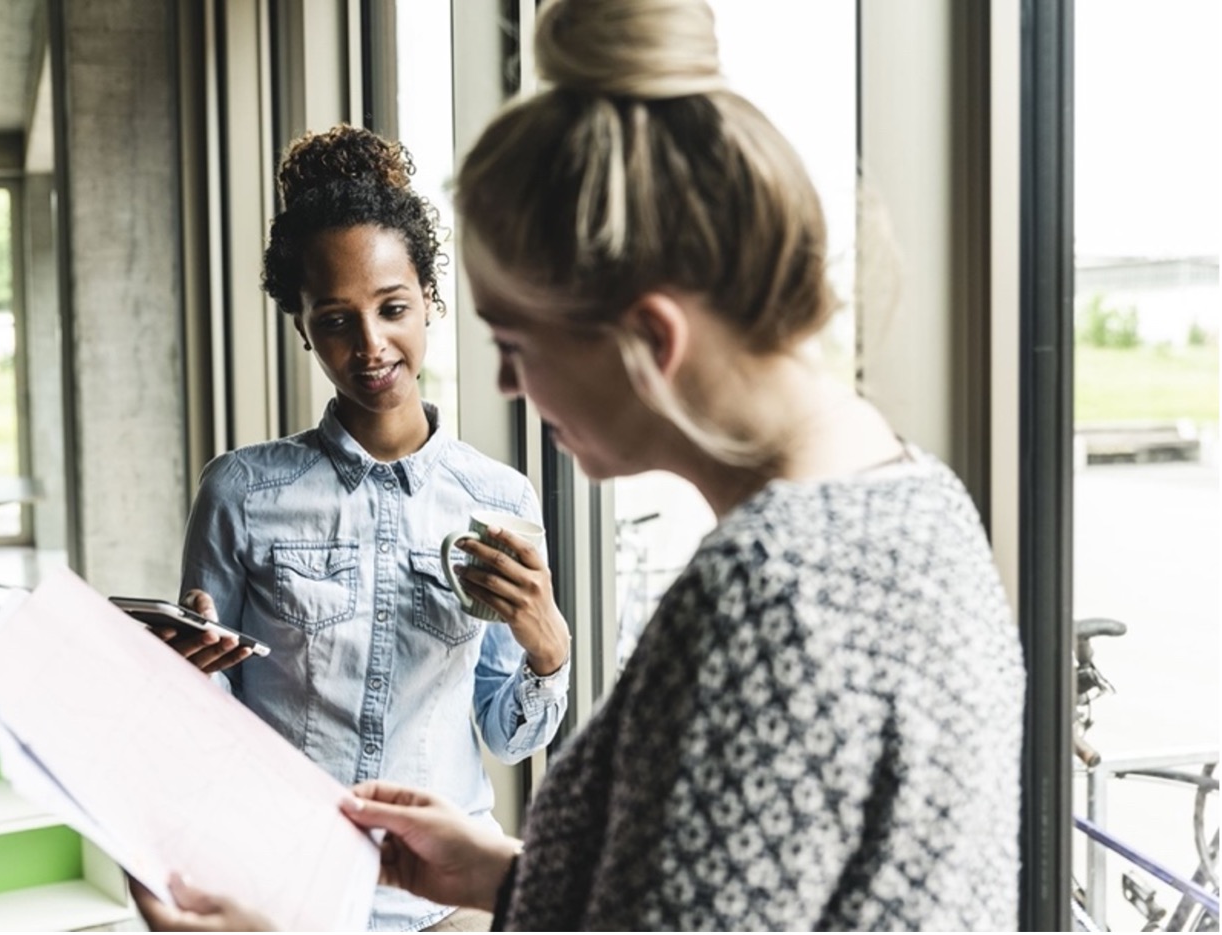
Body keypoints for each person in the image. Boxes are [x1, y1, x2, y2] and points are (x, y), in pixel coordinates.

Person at [135, 0, 1025, 930]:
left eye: (514, 340)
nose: (508, 383)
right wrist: (505, 878)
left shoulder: (768, 592)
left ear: (647, 337)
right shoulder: (924, 500)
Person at [163, 124, 572, 932]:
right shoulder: (239, 491)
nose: (371, 346)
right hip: (282, 888)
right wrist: (182, 671)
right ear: (302, 326)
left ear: (430, 300)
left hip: (445, 901)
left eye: (393, 309)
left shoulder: (498, 496)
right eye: (336, 319)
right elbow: (206, 714)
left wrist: (547, 649)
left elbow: (506, 733)